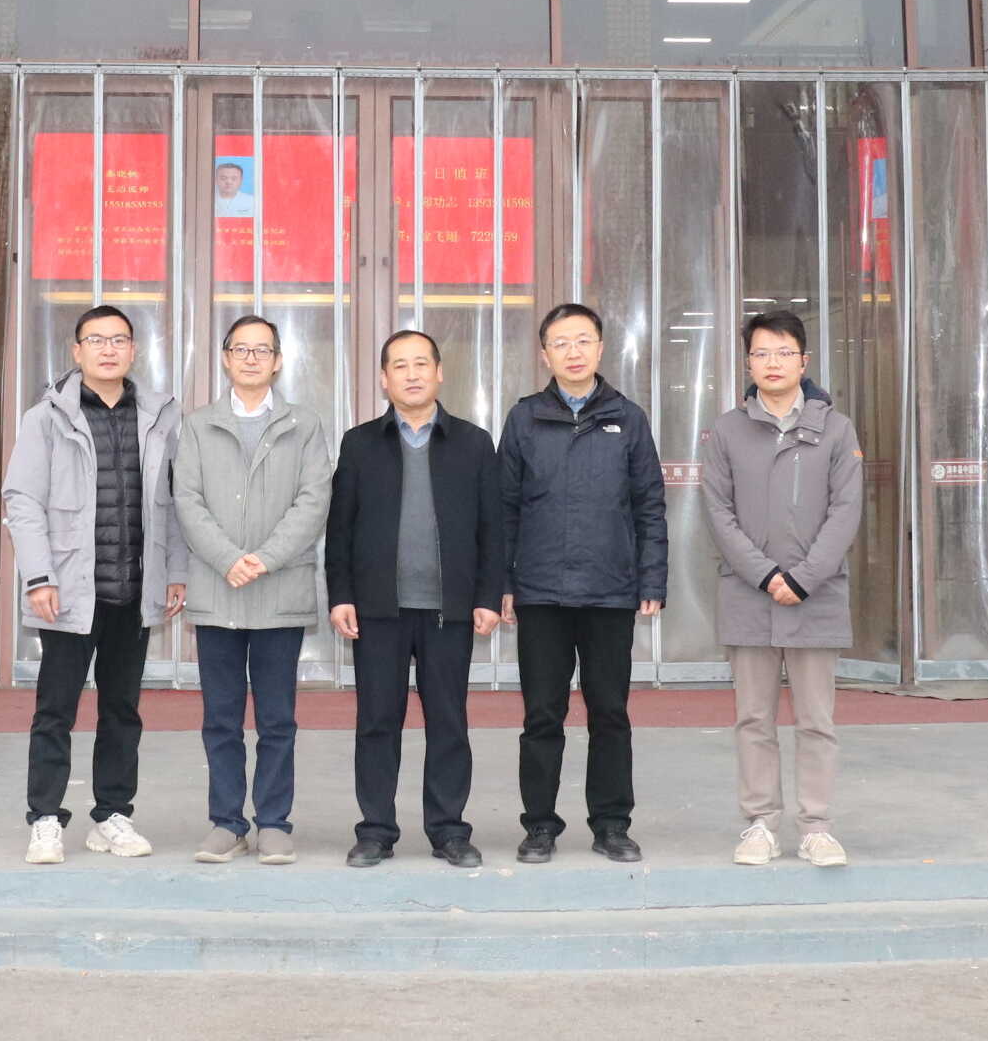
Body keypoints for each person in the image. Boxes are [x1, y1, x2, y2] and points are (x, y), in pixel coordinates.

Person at [1, 304, 185, 866]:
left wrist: (175, 571)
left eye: (119, 340)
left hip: (134, 589)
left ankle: (111, 815)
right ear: (77, 351)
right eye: (96, 340)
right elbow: (22, 500)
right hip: (66, 592)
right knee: (55, 710)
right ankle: (45, 818)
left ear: (134, 350)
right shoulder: (46, 418)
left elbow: (175, 502)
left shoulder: (160, 417)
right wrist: (38, 576)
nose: (108, 349)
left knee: (122, 710)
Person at [497, 301, 668, 864]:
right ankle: (539, 826)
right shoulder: (524, 419)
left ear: (600, 348)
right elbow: (503, 508)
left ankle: (612, 824)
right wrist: (502, 583)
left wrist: (651, 577)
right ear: (544, 354)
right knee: (541, 715)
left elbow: (648, 505)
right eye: (560, 343)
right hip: (541, 590)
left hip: (609, 590)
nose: (573, 352)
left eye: (583, 341)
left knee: (610, 713)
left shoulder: (628, 418)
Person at [325, 328, 502, 869]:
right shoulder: (360, 443)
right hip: (379, 608)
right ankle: (376, 830)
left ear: (439, 372)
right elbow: (340, 528)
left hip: (450, 608)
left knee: (448, 721)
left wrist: (488, 596)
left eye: (421, 363)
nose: (412, 374)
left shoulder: (473, 442)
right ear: (384, 379)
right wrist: (341, 595)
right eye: (399, 365)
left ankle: (449, 830)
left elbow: (493, 528)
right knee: (377, 721)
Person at [700, 307, 864, 869]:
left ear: (804, 361)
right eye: (762, 353)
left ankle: (816, 826)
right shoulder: (727, 430)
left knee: (816, 720)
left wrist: (804, 577)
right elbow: (718, 513)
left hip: (817, 597)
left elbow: (846, 511)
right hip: (749, 595)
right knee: (753, 719)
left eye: (784, 352)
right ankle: (760, 824)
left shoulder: (837, 429)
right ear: (748, 363)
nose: (773, 362)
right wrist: (766, 575)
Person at [172, 313, 331, 866]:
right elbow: (187, 500)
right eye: (241, 349)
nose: (251, 359)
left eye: (262, 350)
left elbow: (314, 500)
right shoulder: (198, 425)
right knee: (220, 718)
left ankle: (274, 823)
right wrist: (227, 559)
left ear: (278, 361)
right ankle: (227, 822)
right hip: (217, 593)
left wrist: (264, 559)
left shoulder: (304, 425)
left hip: (279, 592)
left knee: (276, 720)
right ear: (225, 358)